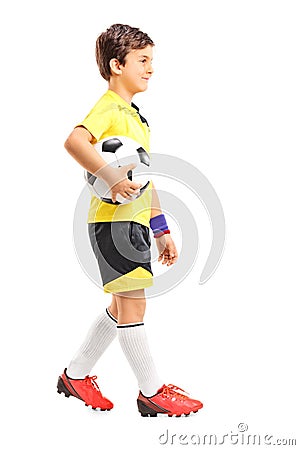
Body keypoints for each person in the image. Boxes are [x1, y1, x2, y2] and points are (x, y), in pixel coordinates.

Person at [57, 23, 203, 417]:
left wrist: (161, 230)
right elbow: (74, 141)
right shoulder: (109, 108)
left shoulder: (136, 119)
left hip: (134, 225)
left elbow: (144, 179)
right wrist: (111, 176)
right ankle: (152, 392)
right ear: (116, 64)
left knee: (123, 306)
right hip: (112, 223)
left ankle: (76, 374)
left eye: (152, 61)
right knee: (134, 307)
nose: (151, 68)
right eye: (143, 60)